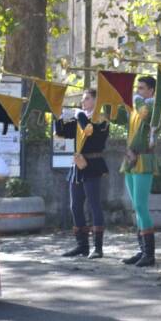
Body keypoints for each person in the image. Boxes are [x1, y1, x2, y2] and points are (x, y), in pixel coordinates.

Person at [53, 89, 108, 258]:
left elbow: (90, 131)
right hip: (77, 165)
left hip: (93, 164)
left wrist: (79, 115)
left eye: (87, 99)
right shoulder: (80, 119)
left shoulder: (102, 120)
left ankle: (97, 248)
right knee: (75, 206)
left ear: (96, 101)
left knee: (94, 205)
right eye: (83, 99)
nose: (83, 103)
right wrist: (58, 114)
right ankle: (82, 246)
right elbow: (61, 133)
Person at [117, 76, 158, 267]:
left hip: (144, 159)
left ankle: (149, 254)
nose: (137, 91)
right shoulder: (136, 107)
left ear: (151, 91)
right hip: (131, 158)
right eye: (137, 88)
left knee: (141, 206)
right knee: (135, 207)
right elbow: (119, 118)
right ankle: (142, 250)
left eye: (141, 88)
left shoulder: (152, 107)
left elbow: (146, 115)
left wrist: (137, 99)